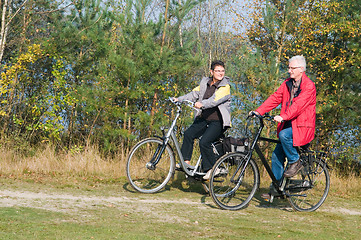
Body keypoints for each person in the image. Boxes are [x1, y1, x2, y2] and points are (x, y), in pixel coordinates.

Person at [251, 55, 316, 199]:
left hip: (302, 126)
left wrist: (283, 116)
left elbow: (299, 106)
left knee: (284, 135)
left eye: (292, 68)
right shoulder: (288, 83)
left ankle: (295, 161)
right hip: (289, 124)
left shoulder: (309, 86)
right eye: (289, 67)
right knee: (276, 156)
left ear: (301, 69)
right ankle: (277, 188)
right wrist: (259, 111)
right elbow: (275, 98)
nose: (289, 71)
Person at [174, 60, 231, 180]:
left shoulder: (225, 86)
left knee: (204, 142)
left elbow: (214, 100)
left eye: (222, 71)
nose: (220, 73)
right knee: (188, 134)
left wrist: (201, 104)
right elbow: (193, 94)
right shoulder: (205, 82)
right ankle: (186, 164)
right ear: (211, 72)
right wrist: (179, 99)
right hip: (204, 119)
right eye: (218, 71)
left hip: (218, 121)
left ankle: (211, 169)